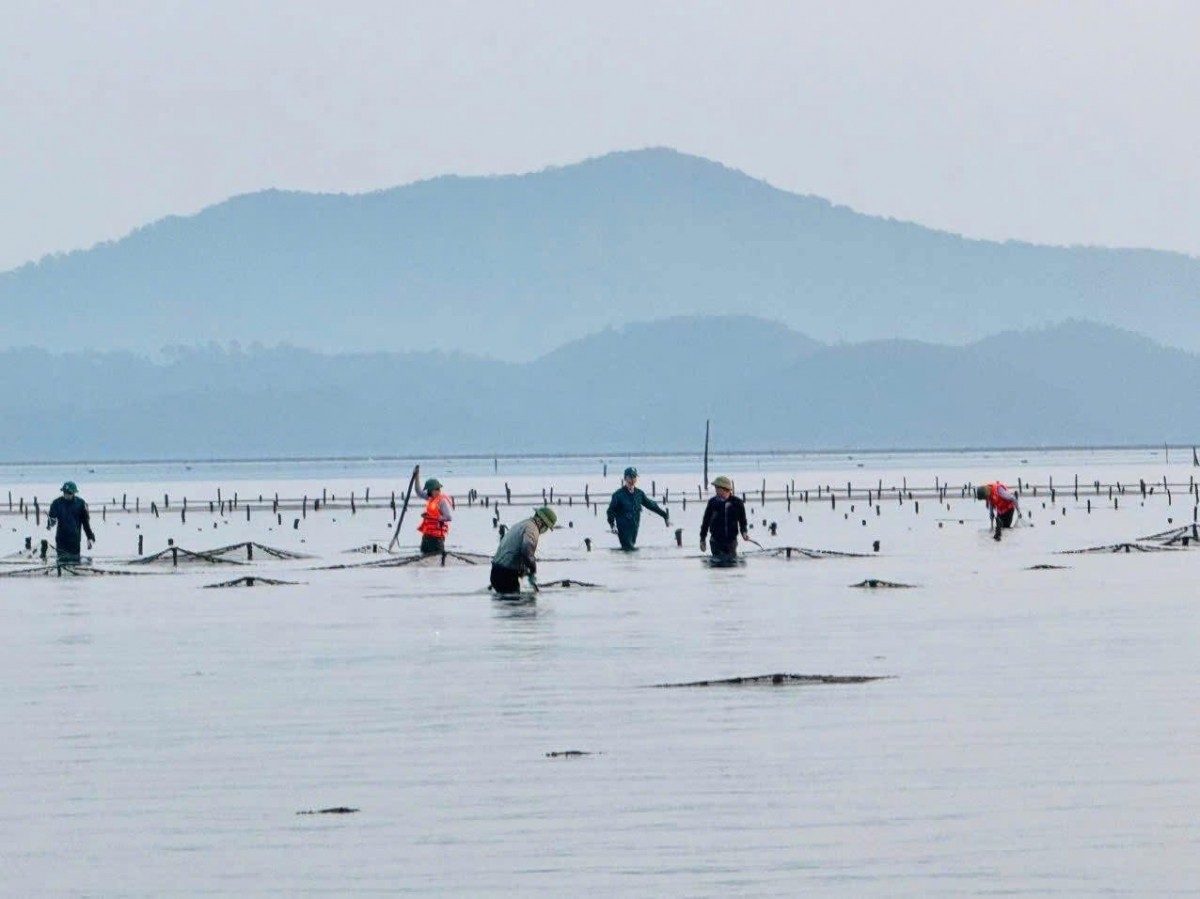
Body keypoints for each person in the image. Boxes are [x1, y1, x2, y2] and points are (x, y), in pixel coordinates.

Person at [491, 506, 557, 594]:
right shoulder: (532, 530)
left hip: (497, 571)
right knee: (517, 604)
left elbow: (517, 552)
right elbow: (527, 553)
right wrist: (533, 570)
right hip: (505, 575)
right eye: (546, 527)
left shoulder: (523, 524)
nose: (545, 530)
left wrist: (524, 571)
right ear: (542, 522)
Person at [606, 466, 669, 551]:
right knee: (629, 548)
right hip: (623, 528)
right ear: (625, 478)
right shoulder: (618, 495)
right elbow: (610, 511)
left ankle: (630, 564)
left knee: (631, 550)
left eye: (634, 477)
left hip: (635, 528)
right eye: (630, 477)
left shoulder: (639, 494)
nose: (632, 480)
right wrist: (612, 525)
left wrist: (664, 515)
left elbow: (651, 505)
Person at [699, 476, 749, 564]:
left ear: (724, 488)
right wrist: (702, 539)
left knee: (731, 563)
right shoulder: (712, 502)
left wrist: (744, 533)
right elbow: (705, 522)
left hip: (731, 541)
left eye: (717, 488)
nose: (715, 490)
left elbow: (742, 521)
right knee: (717, 562)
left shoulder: (737, 502)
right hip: (715, 541)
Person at [46, 481, 96, 564]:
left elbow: (86, 523)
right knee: (61, 563)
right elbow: (51, 520)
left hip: (75, 539)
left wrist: (90, 538)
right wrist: (50, 523)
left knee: (75, 563)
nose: (67, 495)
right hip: (61, 539)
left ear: (74, 493)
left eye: (69, 493)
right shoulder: (56, 503)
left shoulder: (81, 504)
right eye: (65, 492)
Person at [413, 468, 453, 555]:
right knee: (423, 556)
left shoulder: (442, 502)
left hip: (437, 539)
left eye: (438, 489)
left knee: (437, 557)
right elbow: (418, 492)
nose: (437, 491)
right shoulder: (430, 498)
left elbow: (448, 517)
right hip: (427, 537)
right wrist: (416, 476)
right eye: (434, 490)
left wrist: (434, 517)